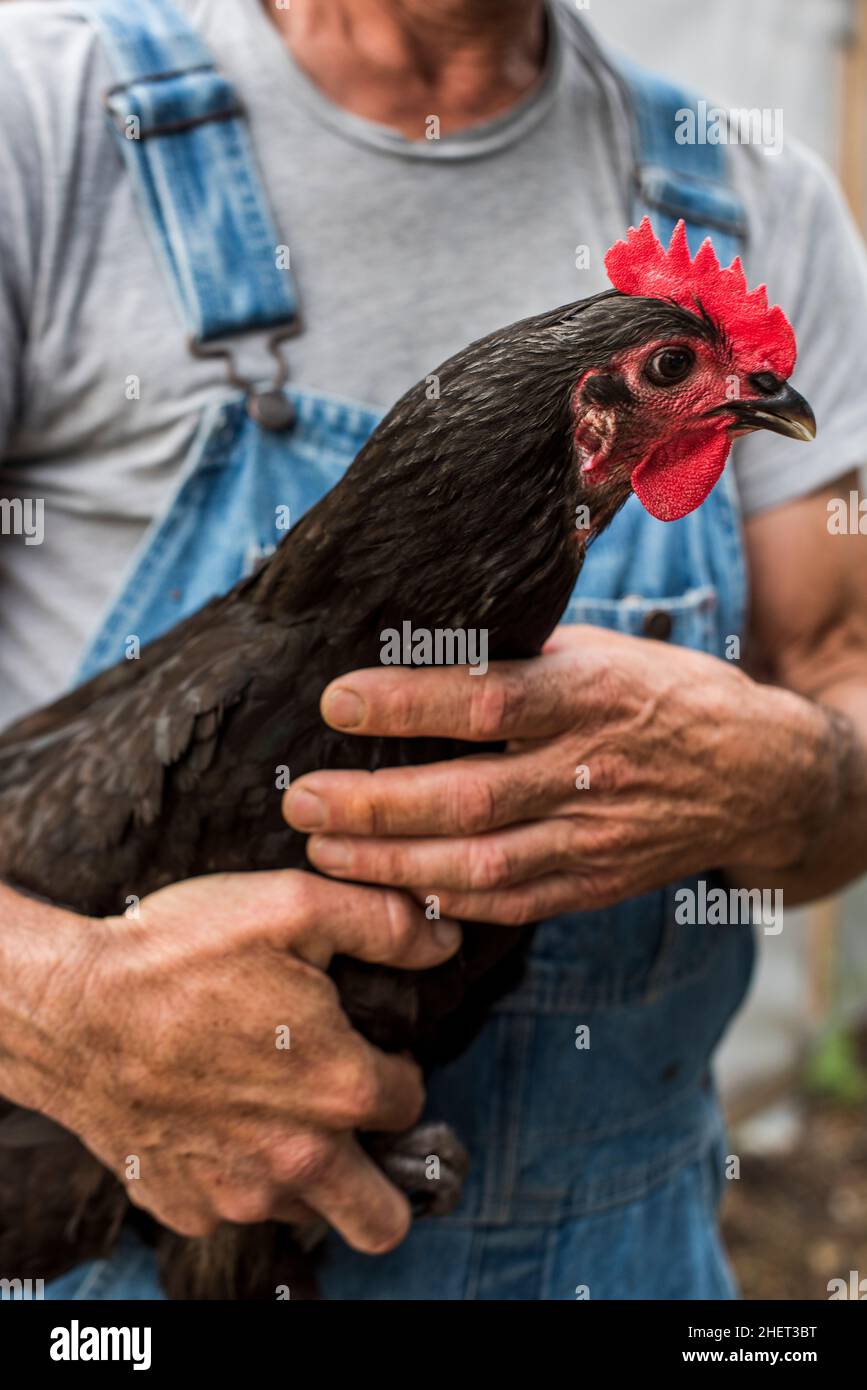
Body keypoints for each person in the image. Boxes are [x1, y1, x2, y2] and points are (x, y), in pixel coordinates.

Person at [1, 0, 866, 1301]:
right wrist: (61, 996)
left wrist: (795, 771)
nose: (735, 396)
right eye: (681, 367)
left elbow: (843, 674)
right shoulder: (43, 122)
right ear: (590, 416)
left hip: (619, 1257)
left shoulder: (759, 183)